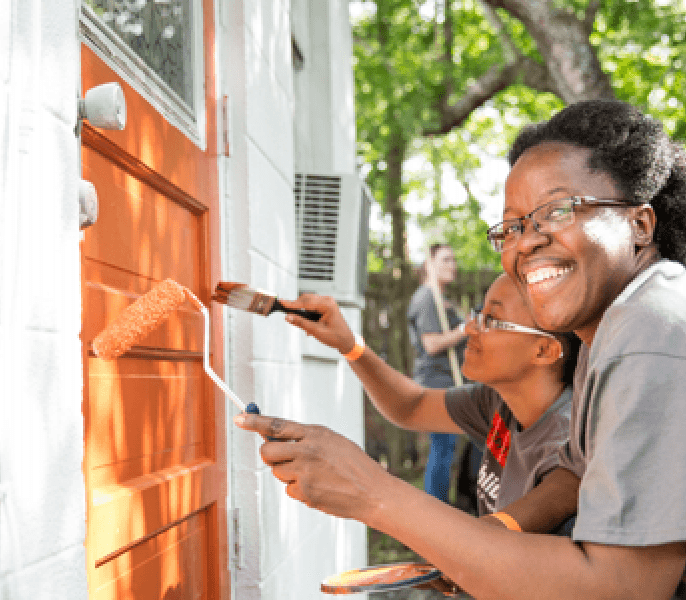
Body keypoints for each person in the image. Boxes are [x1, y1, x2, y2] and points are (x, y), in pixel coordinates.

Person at [235, 99, 686, 598]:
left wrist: (372, 492)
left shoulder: (648, 328)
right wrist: (483, 542)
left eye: (557, 209)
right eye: (512, 226)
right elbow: (576, 475)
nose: (527, 241)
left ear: (640, 224)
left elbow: (620, 586)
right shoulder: (600, 342)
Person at [407, 243, 470, 505]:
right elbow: (432, 344)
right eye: (445, 260)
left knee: (446, 449)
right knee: (442, 449)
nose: (452, 265)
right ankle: (437, 509)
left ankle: (443, 506)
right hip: (436, 384)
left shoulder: (439, 299)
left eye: (453, 260)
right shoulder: (426, 298)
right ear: (429, 265)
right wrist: (464, 330)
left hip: (447, 383)